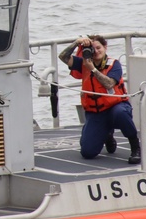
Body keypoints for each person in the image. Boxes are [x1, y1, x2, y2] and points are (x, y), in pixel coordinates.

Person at [59, 34, 141, 164]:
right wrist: (76, 43)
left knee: (120, 113)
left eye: (99, 48)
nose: (96, 51)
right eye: (93, 49)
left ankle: (135, 146)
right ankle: (107, 134)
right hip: (96, 112)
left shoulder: (114, 64)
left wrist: (93, 69)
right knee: (87, 152)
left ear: (105, 48)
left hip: (116, 107)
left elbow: (109, 84)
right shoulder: (83, 63)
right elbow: (63, 57)